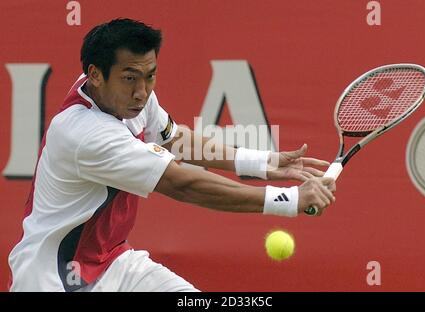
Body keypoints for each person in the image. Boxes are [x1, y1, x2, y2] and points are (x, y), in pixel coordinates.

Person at [8, 18, 336, 292]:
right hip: (52, 280)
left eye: (150, 75)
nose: (142, 91)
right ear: (95, 75)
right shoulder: (84, 133)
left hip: (113, 264)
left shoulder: (127, 97)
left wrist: (262, 163)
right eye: (130, 78)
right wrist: (288, 201)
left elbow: (173, 139)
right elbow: (181, 183)